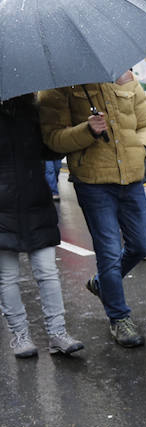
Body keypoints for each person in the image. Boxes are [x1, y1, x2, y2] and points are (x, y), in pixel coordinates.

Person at [39, 71, 146, 348]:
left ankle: (102, 284)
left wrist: (140, 151)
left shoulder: (125, 76)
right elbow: (52, 137)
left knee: (141, 245)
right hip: (93, 183)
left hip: (132, 179)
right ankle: (119, 318)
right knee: (110, 253)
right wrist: (87, 130)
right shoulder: (61, 82)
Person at [0, 93, 83, 359]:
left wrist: (72, 127)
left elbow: (52, 147)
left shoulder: (35, 111)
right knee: (8, 278)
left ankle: (57, 333)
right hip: (2, 208)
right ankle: (19, 335)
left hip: (36, 202)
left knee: (47, 273)